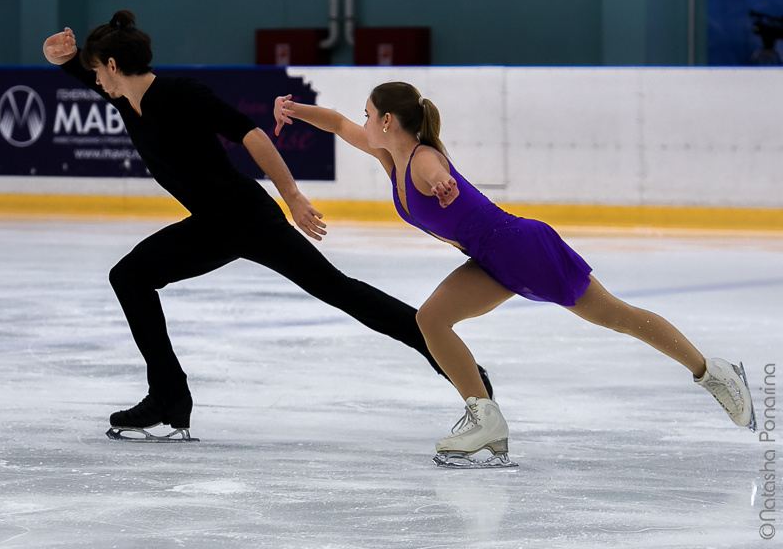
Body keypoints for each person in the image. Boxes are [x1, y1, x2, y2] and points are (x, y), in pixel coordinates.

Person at [42, 11, 493, 442]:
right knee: (130, 277)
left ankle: (459, 370)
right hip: (211, 225)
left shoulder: (181, 93)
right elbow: (80, 73)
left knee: (340, 290)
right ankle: (167, 399)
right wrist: (59, 56)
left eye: (99, 71)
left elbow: (251, 134)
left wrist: (292, 197)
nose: (96, 80)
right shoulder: (127, 99)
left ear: (115, 66)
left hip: (248, 219)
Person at [274, 81, 757, 468]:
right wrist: (293, 111)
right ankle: (484, 417)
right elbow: (337, 123)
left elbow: (437, 173)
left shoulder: (421, 159)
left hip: (521, 249)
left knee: (614, 315)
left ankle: (713, 373)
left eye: (367, 113)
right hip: (490, 258)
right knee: (431, 320)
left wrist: (443, 185)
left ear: (385, 120)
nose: (360, 120)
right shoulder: (391, 155)